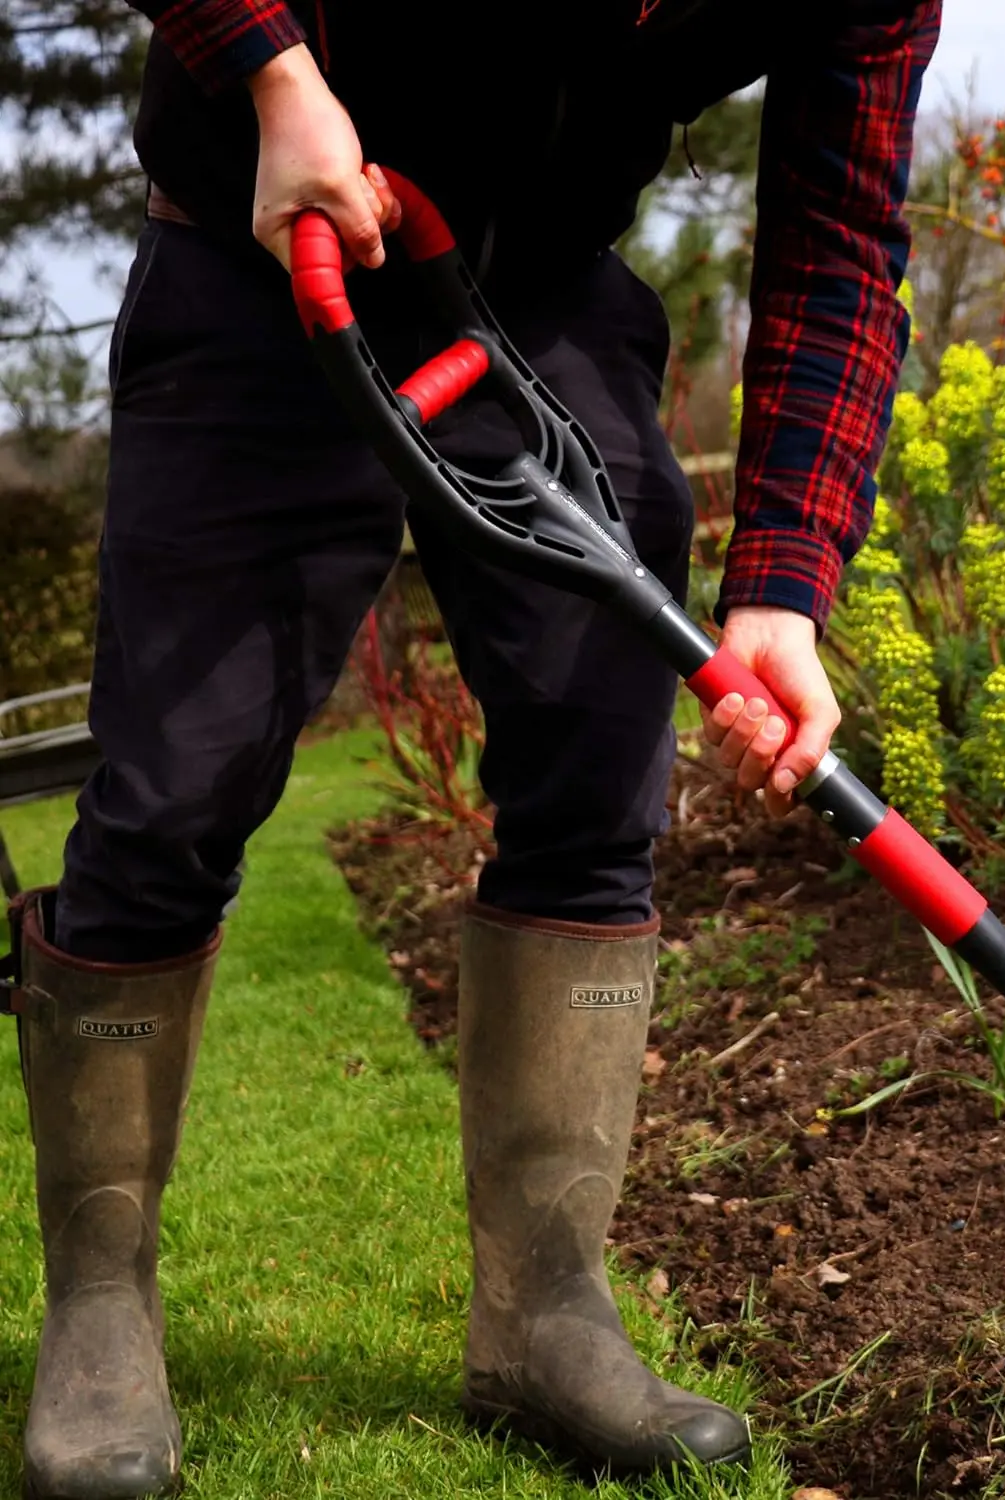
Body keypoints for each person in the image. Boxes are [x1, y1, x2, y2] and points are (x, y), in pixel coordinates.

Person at [0, 1, 940, 1493]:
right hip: (267, 236)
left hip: (543, 288)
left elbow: (839, 242)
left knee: (599, 759)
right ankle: (100, 1304)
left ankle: (545, 1315)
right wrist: (279, 82)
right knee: (176, 780)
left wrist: (781, 583)